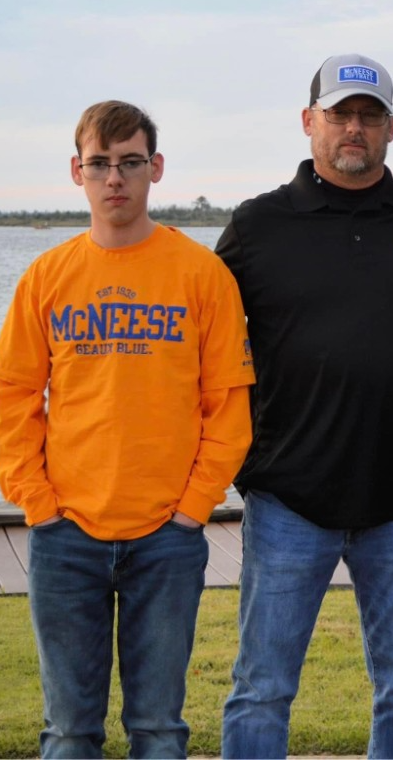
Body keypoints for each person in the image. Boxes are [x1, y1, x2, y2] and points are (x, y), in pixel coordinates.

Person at [216, 53, 393, 759]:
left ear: (391, 128)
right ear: (308, 122)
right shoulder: (259, 224)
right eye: (340, 114)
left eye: (369, 116)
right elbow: (202, 341)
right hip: (289, 495)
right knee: (262, 687)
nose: (354, 128)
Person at [0, 100, 255, 759]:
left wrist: (194, 508)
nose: (115, 177)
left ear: (156, 168)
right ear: (77, 172)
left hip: (166, 540)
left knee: (160, 730)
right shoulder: (46, 280)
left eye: (131, 162)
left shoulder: (202, 275)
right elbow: (14, 398)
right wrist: (39, 504)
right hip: (65, 538)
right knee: (68, 731)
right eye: (100, 164)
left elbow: (227, 406)